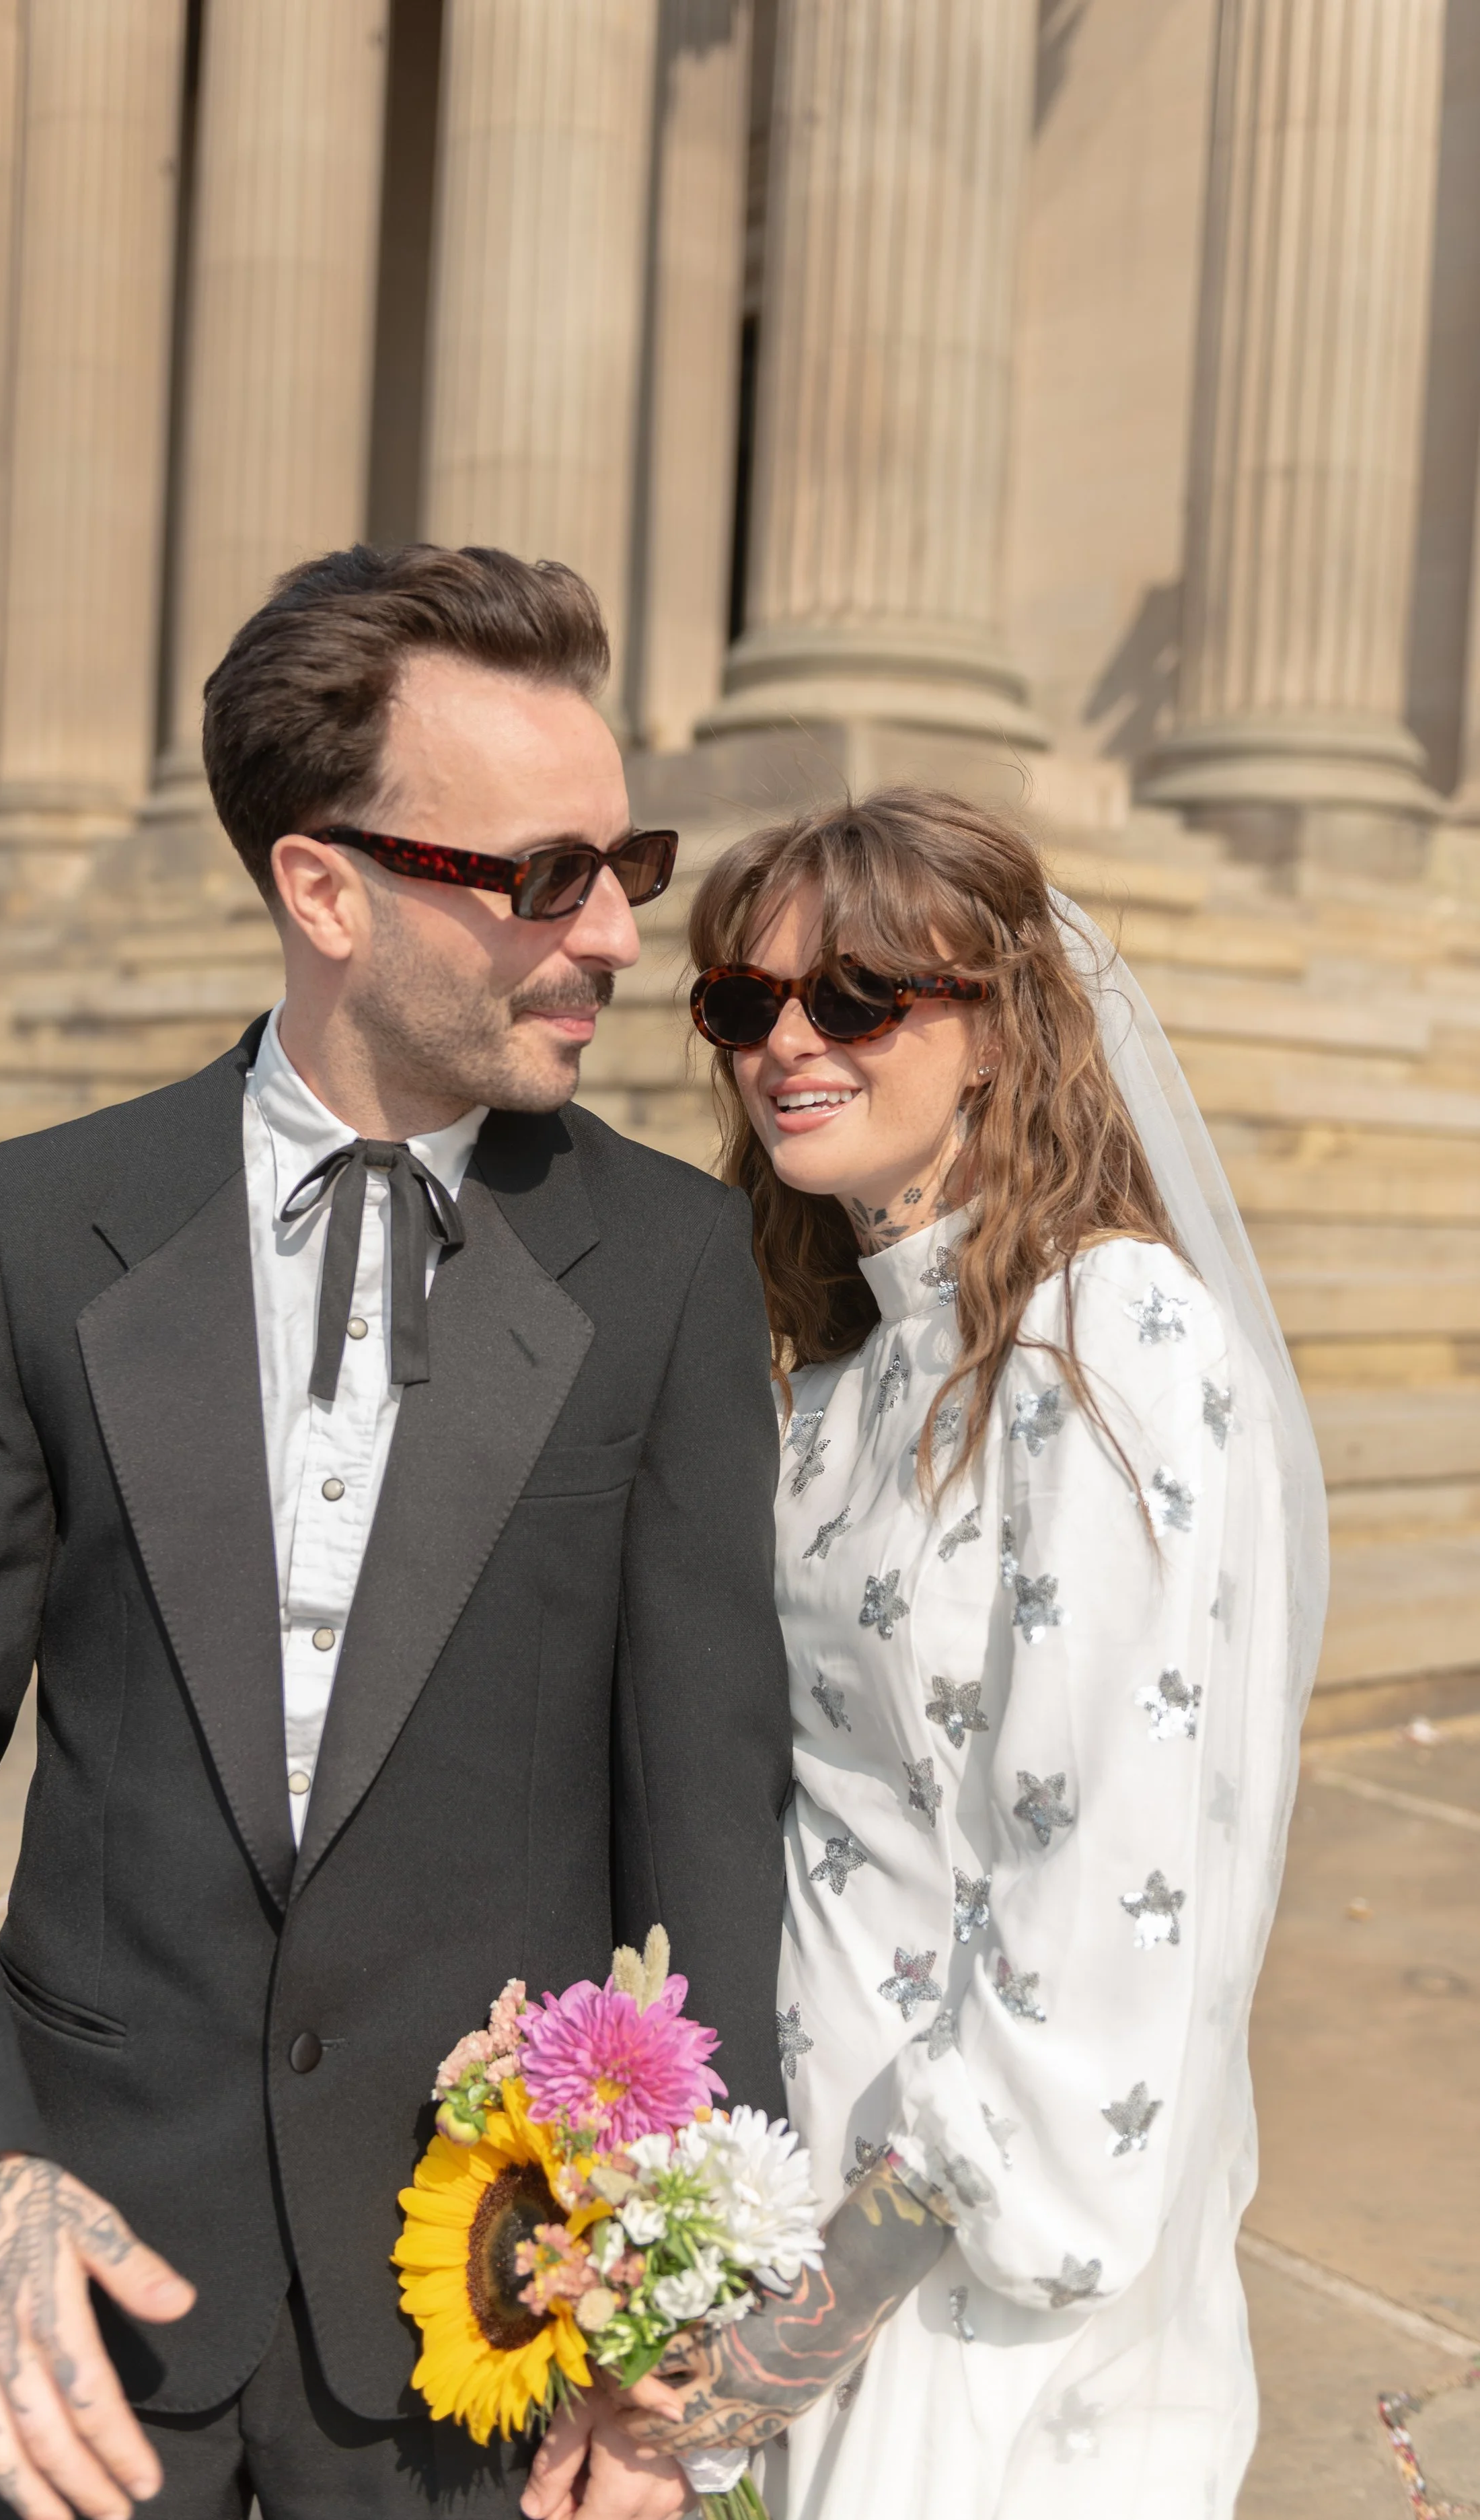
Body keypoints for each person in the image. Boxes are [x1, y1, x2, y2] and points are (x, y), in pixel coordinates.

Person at [0, 543, 793, 2520]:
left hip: (483, 2334)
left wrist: (671, 2329)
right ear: (323, 886)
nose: (609, 935)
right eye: (540, 879)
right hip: (78, 2305)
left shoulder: (670, 1260)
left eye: (625, 863)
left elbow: (707, 1820)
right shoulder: (36, 1223)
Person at [525, 791, 1325, 2520]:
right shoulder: (828, 1379)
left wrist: (756, 2372)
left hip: (961, 2312)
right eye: (741, 1003)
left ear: (997, 1028)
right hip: (795, 2228)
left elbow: (1090, 1933)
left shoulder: (1112, 1343)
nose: (785, 1042)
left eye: (859, 996)